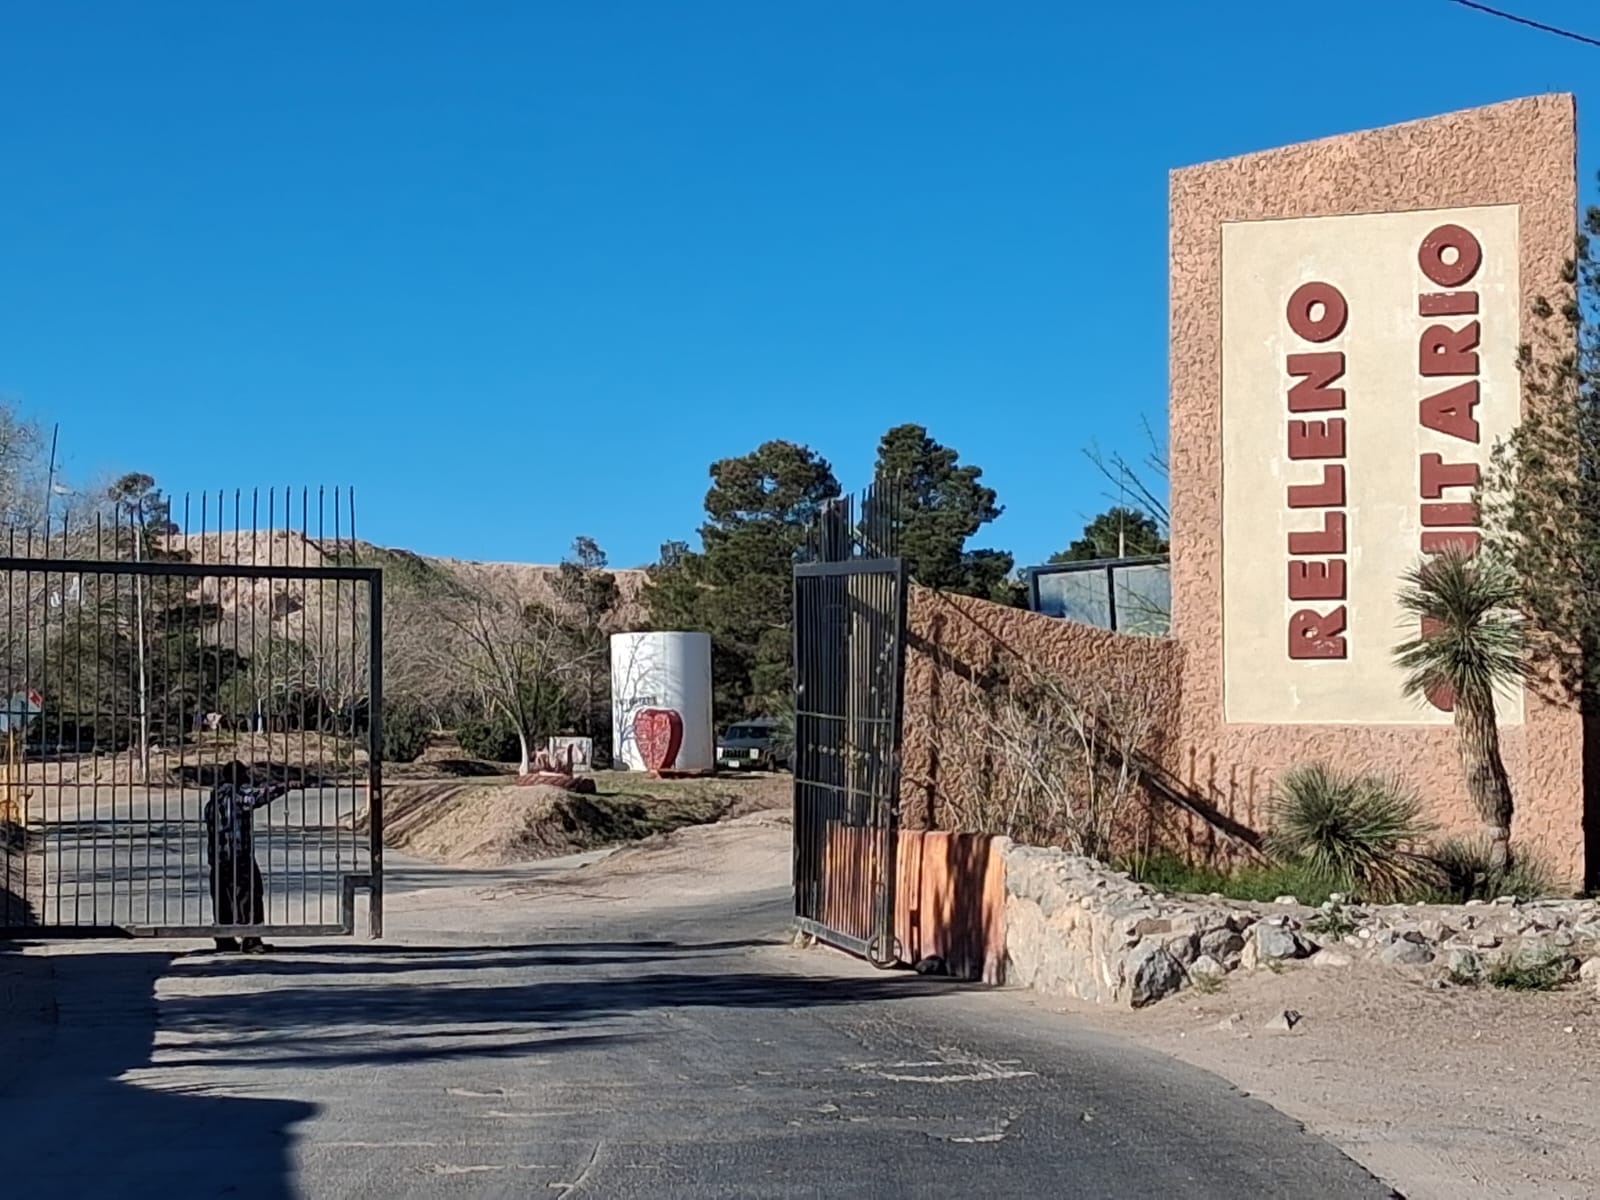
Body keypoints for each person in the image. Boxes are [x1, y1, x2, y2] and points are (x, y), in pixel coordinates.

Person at [203, 760, 289, 953]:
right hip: (238, 856)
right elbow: (257, 797)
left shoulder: (214, 798)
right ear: (239, 776)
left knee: (223, 898)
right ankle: (251, 938)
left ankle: (224, 937)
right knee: (249, 896)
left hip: (218, 858)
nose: (248, 778)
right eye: (245, 775)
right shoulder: (235, 794)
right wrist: (286, 786)